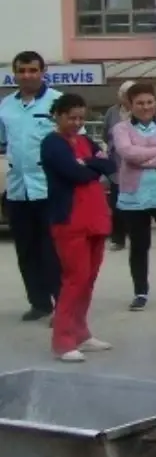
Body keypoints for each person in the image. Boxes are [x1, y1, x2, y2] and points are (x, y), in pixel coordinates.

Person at [41, 93, 117, 362]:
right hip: (69, 220)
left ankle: (81, 332)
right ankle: (62, 340)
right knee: (74, 280)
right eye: (71, 117)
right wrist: (92, 166)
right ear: (57, 116)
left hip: (95, 218)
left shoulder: (85, 140)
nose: (76, 122)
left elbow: (109, 164)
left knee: (88, 280)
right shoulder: (52, 144)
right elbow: (75, 173)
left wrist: (90, 164)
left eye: (80, 118)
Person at [0, 51, 63, 322]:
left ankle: (63, 305)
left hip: (49, 189)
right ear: (14, 73)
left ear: (42, 71)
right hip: (17, 189)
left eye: (32, 70)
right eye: (22, 70)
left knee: (53, 251)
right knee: (26, 250)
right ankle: (38, 303)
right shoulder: (5, 106)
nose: (27, 75)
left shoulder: (58, 102)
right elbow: (3, 145)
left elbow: (74, 141)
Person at [111, 82, 156, 310]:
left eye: (149, 102)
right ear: (130, 105)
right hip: (135, 196)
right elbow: (127, 152)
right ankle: (140, 292)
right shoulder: (121, 129)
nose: (145, 107)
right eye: (140, 103)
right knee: (139, 246)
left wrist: (145, 157)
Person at [102, 80, 135, 251]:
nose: (126, 98)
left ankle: (135, 234)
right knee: (116, 203)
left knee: (134, 201)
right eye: (124, 95)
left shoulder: (138, 111)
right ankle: (118, 238)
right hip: (116, 164)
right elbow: (104, 133)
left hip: (135, 164)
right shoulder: (112, 112)